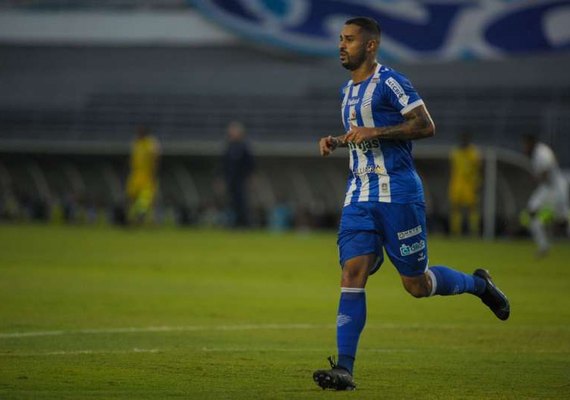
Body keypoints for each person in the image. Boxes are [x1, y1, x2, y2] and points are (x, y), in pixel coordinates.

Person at [312, 17, 510, 391]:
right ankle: (344, 369)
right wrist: (338, 141)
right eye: (340, 38)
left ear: (370, 46)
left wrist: (378, 132)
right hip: (360, 194)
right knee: (352, 272)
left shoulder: (391, 82)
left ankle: (479, 285)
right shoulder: (346, 91)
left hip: (399, 195)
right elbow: (362, 135)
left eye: (350, 40)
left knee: (416, 285)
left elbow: (425, 125)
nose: (342, 45)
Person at [522, 134, 570, 257]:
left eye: (525, 145)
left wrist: (535, 178)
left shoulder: (542, 152)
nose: (524, 148)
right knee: (532, 210)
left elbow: (546, 172)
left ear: (531, 143)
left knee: (563, 220)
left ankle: (546, 241)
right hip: (546, 188)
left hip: (557, 188)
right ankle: (544, 246)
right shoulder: (535, 154)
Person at [448, 132, 482, 236]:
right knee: (455, 208)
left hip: (470, 184)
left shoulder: (474, 152)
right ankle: (455, 232)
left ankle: (473, 231)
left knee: (472, 208)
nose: (464, 140)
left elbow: (479, 168)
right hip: (457, 183)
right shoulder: (455, 152)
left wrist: (478, 182)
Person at [126, 126, 160, 225]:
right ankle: (131, 218)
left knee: (145, 200)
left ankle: (146, 219)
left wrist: (154, 173)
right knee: (131, 197)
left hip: (147, 175)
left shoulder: (151, 144)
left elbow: (156, 159)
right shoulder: (136, 143)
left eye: (141, 131)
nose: (139, 133)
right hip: (135, 174)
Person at [222, 121, 254, 228]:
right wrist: (221, 178)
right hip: (230, 180)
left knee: (242, 202)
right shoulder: (229, 147)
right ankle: (234, 223)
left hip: (241, 180)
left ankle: (244, 223)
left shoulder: (244, 147)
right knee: (232, 202)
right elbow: (223, 164)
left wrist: (249, 177)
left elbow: (250, 164)